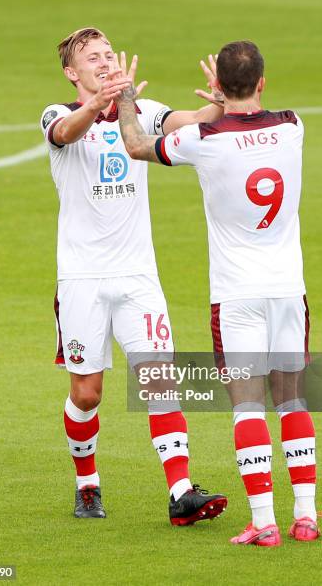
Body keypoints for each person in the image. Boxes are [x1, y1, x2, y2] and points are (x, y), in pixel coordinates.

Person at [116, 41, 319, 546]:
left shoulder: (203, 138)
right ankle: (307, 517)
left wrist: (124, 100)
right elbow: (253, 122)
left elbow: (139, 146)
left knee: (247, 408)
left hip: (236, 296)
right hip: (289, 290)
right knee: (292, 402)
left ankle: (264, 522)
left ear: (220, 87)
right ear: (263, 83)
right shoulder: (293, 126)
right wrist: (230, 101)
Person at [40, 27, 227, 523]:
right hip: (81, 279)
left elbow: (191, 121)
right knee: (88, 393)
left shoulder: (140, 112)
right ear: (71, 73)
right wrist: (98, 104)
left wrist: (220, 103)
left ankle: (181, 491)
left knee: (159, 381)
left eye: (107, 54)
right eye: (91, 58)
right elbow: (67, 134)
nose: (103, 62)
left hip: (138, 276)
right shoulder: (57, 115)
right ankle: (87, 483)